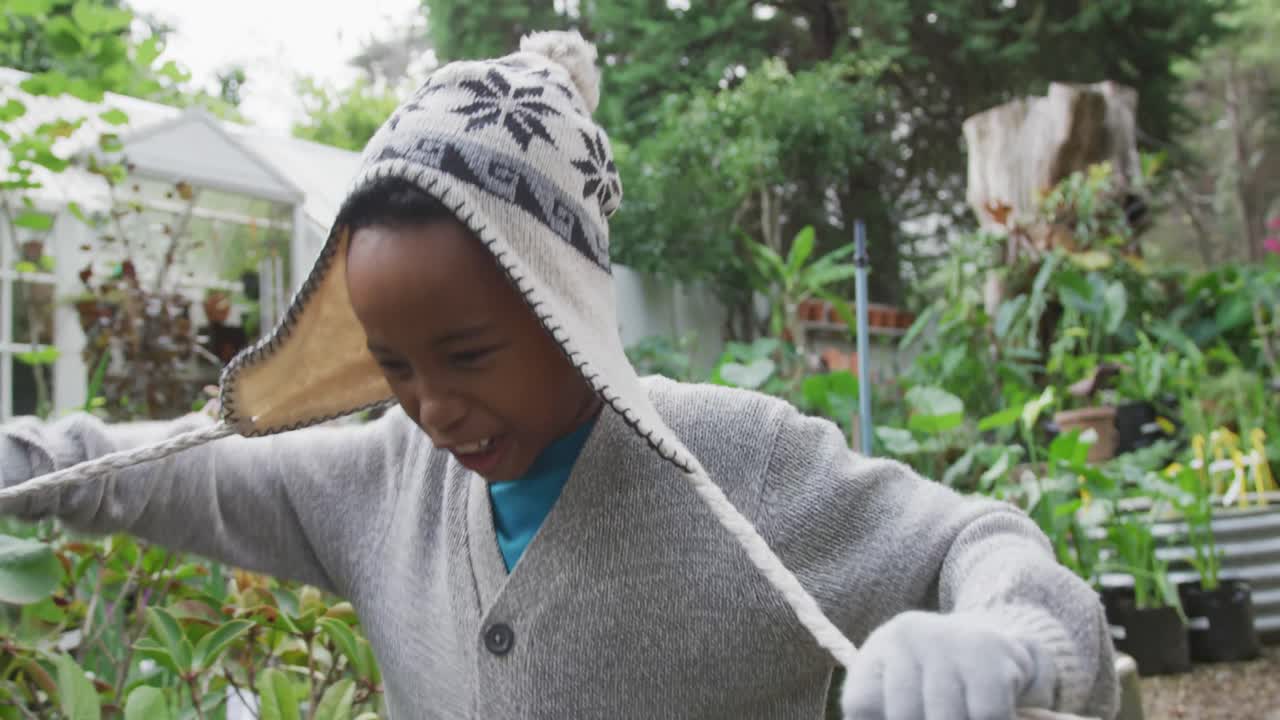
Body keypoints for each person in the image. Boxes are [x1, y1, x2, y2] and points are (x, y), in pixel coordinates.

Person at [0, 31, 1118, 720]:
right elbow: (160, 476)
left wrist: (1004, 642)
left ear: (564, 308)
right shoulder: (380, 489)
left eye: (467, 354)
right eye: (393, 366)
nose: (434, 409)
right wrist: (27, 460)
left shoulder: (745, 465)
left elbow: (979, 542)